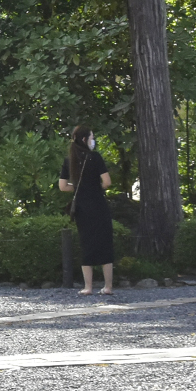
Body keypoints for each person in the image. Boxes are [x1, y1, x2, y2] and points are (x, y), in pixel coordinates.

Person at [58, 124, 115, 295]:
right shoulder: (95, 157)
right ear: (85, 139)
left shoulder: (69, 160)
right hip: (98, 205)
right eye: (92, 137)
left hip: (81, 208)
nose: (93, 140)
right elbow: (107, 182)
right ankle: (108, 287)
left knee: (86, 243)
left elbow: (62, 186)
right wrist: (95, 187)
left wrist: (78, 187)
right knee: (105, 243)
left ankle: (88, 287)